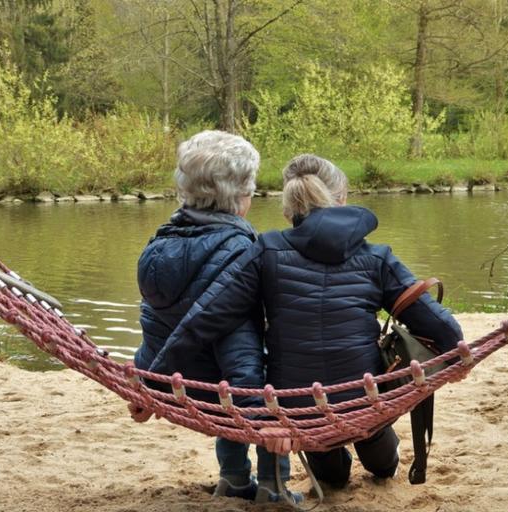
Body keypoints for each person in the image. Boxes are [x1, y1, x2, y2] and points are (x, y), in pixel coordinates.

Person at [152, 154, 463, 488]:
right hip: (365, 398)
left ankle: (343, 455)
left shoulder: (265, 250)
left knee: (333, 479)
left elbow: (207, 317)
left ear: (289, 208)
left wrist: (153, 381)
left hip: (299, 409)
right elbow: (442, 328)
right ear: (342, 199)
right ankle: (378, 450)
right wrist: (456, 356)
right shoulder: (377, 257)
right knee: (381, 457)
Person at [132, 130, 295, 503]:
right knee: (278, 371)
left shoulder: (158, 244)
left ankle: (234, 478)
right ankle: (274, 486)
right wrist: (261, 418)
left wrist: (145, 380)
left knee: (228, 377)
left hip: (176, 381)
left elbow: (155, 323)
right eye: (250, 189)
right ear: (239, 197)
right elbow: (240, 346)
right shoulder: (241, 251)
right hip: (222, 387)